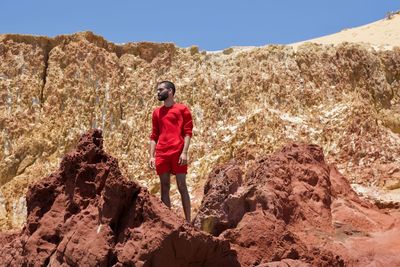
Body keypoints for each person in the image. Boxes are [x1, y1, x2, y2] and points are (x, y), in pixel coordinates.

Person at [149, 81, 193, 223]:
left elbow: (187, 132)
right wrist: (151, 156)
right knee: (164, 186)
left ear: (170, 91)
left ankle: (188, 222)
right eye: (157, 90)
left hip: (178, 152)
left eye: (160, 90)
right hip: (162, 153)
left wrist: (185, 152)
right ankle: (168, 223)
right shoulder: (156, 113)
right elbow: (154, 135)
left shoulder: (182, 109)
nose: (158, 92)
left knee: (182, 185)